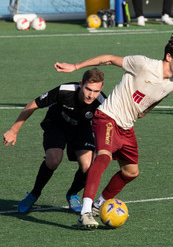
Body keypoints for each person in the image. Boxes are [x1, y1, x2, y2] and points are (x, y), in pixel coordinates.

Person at [54, 37, 173, 229]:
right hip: (107, 117)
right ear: (169, 57)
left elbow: (158, 96)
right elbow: (109, 59)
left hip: (126, 127)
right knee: (102, 158)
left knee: (131, 172)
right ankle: (84, 212)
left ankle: (98, 205)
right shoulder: (143, 64)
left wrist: (145, 110)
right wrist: (75, 66)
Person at [3, 68, 106, 214]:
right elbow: (33, 104)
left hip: (81, 128)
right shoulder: (65, 90)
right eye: (88, 89)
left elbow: (110, 123)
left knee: (88, 165)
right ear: (81, 84)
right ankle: (34, 193)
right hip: (56, 124)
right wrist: (13, 130)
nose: (91, 95)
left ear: (101, 88)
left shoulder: (103, 102)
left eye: (96, 91)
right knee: (53, 160)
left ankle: (72, 194)